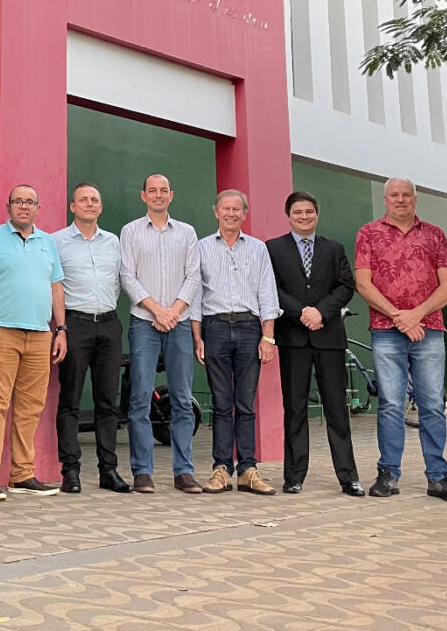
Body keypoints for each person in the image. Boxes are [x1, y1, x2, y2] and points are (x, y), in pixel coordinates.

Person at [354, 177, 447, 502]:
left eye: (406, 195)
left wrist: (415, 315)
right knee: (390, 404)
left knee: (432, 405)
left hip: (428, 329)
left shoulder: (435, 234)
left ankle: (438, 477)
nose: (400, 199)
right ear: (385, 200)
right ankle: (388, 474)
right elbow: (363, 283)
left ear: (415, 199)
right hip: (386, 330)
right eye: (394, 195)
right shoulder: (368, 233)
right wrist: (399, 316)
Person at [264, 191, 364, 496]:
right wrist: (301, 312)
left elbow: (345, 285)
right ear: (288, 216)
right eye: (298, 212)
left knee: (337, 409)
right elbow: (271, 288)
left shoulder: (333, 248)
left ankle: (348, 477)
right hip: (293, 338)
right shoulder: (273, 248)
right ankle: (294, 476)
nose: (304, 217)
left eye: (309, 212)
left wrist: (321, 311)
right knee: (295, 409)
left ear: (317, 214)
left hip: (328, 337)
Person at [0, 185, 67, 499]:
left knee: (30, 408)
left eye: (30, 202)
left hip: (40, 334)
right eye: (18, 201)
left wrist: (61, 329)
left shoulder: (48, 243)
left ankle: (22, 474)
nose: (24, 206)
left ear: (38, 208)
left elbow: (56, 287)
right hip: (1, 332)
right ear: (8, 207)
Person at [193, 189, 281, 496]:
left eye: (236, 209)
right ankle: (221, 469)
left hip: (249, 329)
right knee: (221, 403)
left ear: (244, 213)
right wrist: (197, 337)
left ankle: (247, 470)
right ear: (216, 212)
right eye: (225, 208)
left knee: (245, 403)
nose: (231, 214)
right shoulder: (201, 247)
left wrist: (268, 336)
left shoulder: (257, 249)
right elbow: (195, 295)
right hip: (214, 327)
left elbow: (267, 293)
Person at [118, 174, 202, 495]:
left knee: (182, 398)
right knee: (140, 397)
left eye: (163, 190)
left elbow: (193, 277)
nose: (157, 195)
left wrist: (173, 312)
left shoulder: (187, 232)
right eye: (152, 191)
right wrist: (157, 310)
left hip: (178, 322)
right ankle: (142, 472)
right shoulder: (130, 231)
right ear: (143, 196)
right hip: (144, 322)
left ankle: (184, 472)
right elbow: (127, 276)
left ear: (171, 195)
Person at [53, 183, 130, 494]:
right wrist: (60, 328)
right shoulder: (57, 241)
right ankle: (70, 471)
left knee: (107, 402)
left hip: (109, 324)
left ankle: (108, 470)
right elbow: (53, 286)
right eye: (83, 200)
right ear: (72, 206)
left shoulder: (113, 242)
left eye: (94, 200)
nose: (89, 204)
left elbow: (120, 282)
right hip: (75, 324)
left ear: (101, 206)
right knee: (70, 400)